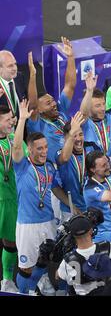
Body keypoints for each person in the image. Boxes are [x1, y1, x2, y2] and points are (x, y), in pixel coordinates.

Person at [12, 100, 75, 294]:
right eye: (39, 148)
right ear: (29, 150)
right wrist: (22, 119)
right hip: (28, 224)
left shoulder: (49, 167)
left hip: (48, 221)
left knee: (45, 258)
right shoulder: (22, 167)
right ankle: (24, 292)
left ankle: (33, 287)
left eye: (45, 147)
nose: (44, 152)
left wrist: (73, 207)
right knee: (26, 267)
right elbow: (15, 149)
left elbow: (56, 189)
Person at [26, 37, 77, 163]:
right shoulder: (37, 125)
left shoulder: (61, 111)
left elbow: (70, 85)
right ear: (40, 109)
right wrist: (32, 76)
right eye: (48, 103)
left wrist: (70, 57)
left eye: (53, 100)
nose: (54, 104)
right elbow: (32, 105)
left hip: (76, 161)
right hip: (57, 169)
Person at [56, 214, 111, 296]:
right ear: (91, 231)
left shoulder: (67, 261)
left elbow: (58, 278)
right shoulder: (107, 247)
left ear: (73, 236)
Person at [0, 105, 22, 292]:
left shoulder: (14, 139)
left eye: (12, 119)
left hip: (11, 198)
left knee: (11, 241)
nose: (11, 122)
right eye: (7, 120)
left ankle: (7, 280)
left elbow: (22, 156)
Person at [55, 112, 91, 223]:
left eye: (80, 134)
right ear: (66, 138)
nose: (79, 139)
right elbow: (64, 158)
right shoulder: (60, 153)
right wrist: (72, 206)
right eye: (74, 135)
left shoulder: (91, 151)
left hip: (90, 208)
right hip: (70, 211)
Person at [0, 50, 27, 118]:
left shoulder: (19, 77)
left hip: (22, 125)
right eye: (10, 66)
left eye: (15, 64)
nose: (15, 68)